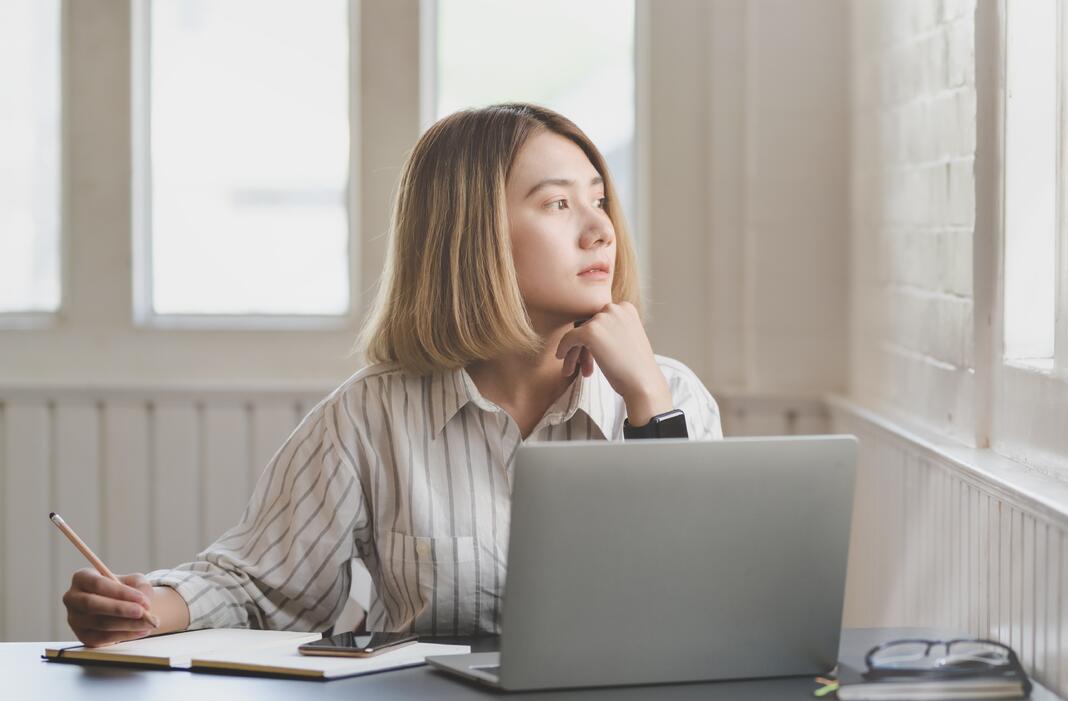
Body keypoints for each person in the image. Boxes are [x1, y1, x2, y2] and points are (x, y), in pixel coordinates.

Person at [61, 103, 722, 646]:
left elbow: (701, 599)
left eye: (599, 199)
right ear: (473, 232)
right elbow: (258, 582)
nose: (600, 230)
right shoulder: (369, 415)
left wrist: (647, 404)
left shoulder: (671, 395)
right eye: (557, 205)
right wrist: (145, 606)